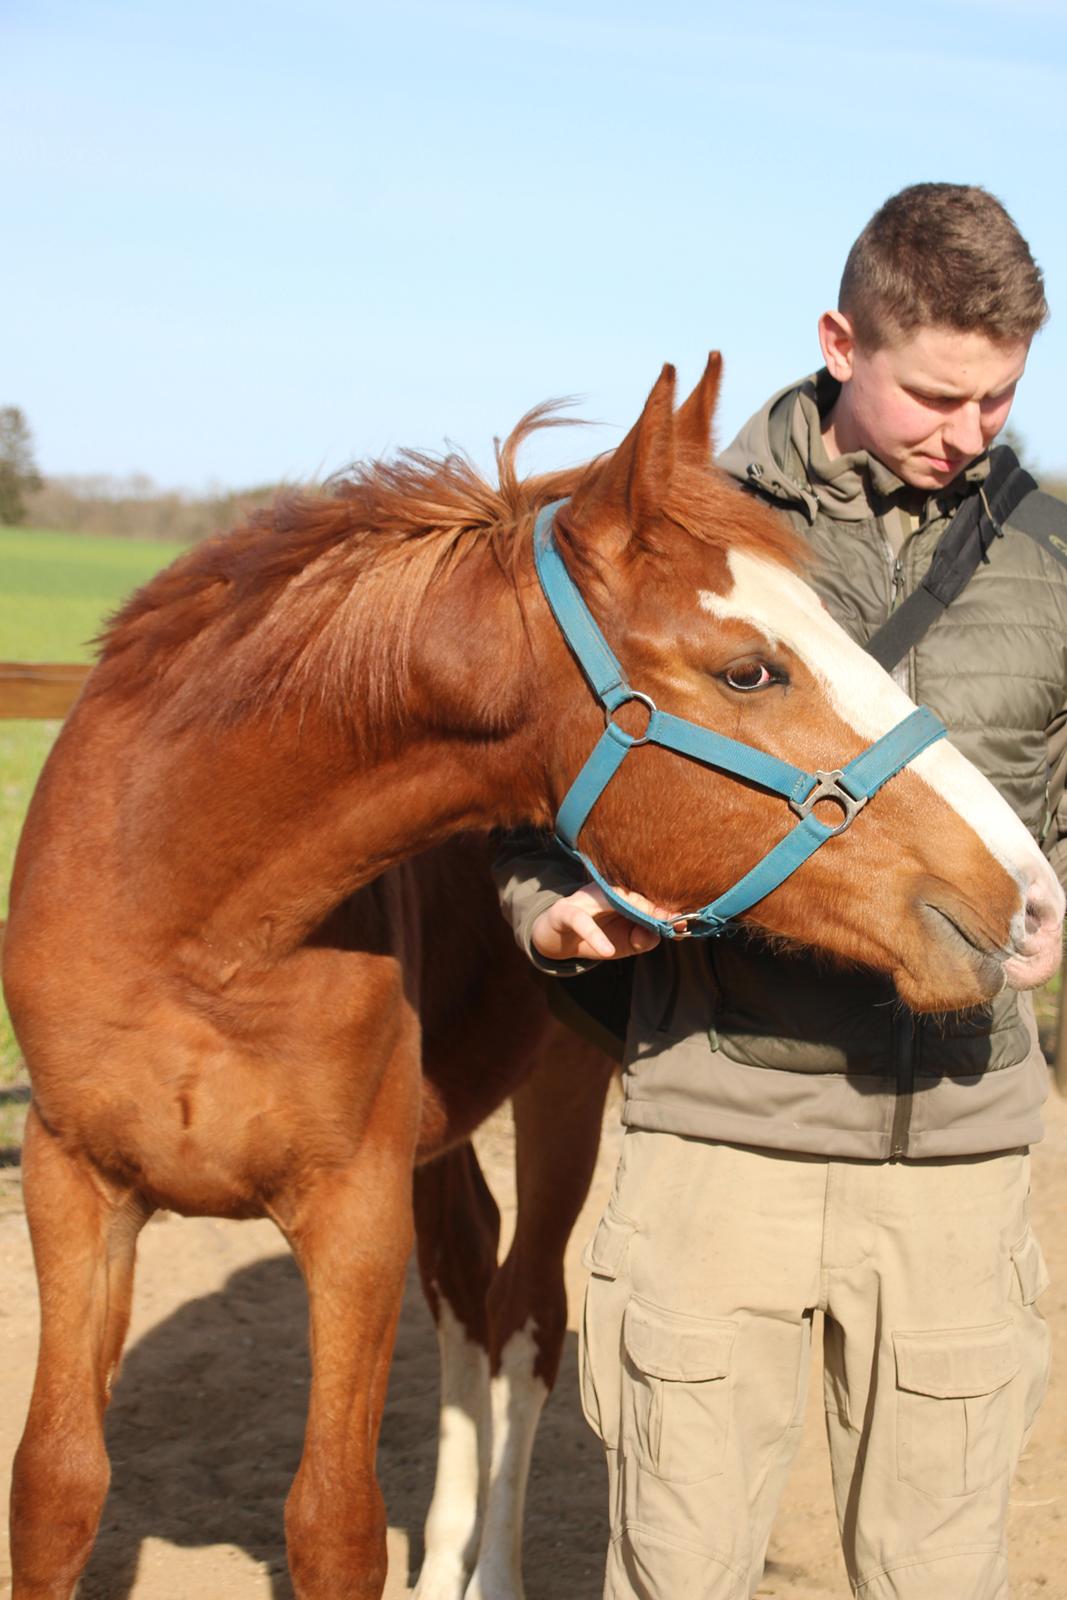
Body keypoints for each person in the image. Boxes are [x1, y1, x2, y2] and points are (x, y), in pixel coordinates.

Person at [493, 183, 1067, 1599]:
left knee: (939, 1577)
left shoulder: (1055, 561)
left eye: (1000, 399)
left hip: (959, 1152)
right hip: (719, 1145)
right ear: (838, 342)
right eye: (937, 394)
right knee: (679, 1573)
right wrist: (546, 914)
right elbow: (522, 793)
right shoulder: (680, 542)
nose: (971, 432)